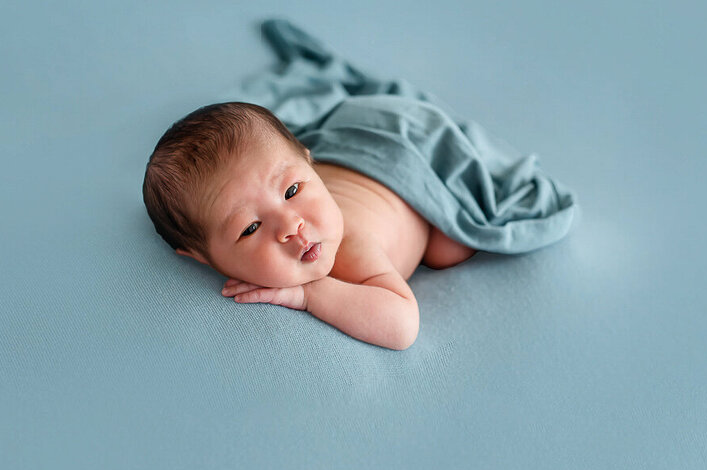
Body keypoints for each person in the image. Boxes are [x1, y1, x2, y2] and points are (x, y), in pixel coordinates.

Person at [142, 101, 476, 351]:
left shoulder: (351, 246)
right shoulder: (287, 207)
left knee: (447, 250)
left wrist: (309, 293)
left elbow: (402, 325)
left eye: (292, 191)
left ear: (307, 160)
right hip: (355, 167)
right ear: (199, 255)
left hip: (404, 170)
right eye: (251, 227)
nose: (291, 224)